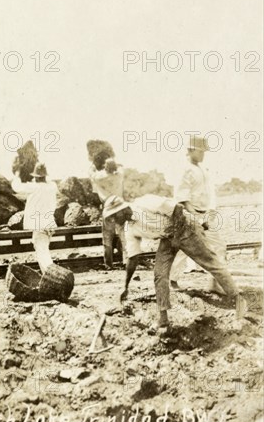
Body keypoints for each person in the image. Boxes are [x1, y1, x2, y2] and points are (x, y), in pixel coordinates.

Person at [101, 195, 247, 332]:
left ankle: (239, 299)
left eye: (114, 216)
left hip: (185, 227)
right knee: (159, 275)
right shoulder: (129, 229)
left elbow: (177, 208)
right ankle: (163, 319)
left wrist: (177, 234)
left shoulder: (145, 202)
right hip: (168, 237)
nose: (114, 220)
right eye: (111, 217)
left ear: (122, 210)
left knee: (210, 263)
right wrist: (125, 286)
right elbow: (133, 258)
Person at [170, 136, 226, 294]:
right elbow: (182, 199)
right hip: (189, 214)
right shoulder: (185, 169)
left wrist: (208, 213)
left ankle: (214, 283)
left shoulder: (201, 169)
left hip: (204, 213)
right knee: (184, 249)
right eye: (201, 151)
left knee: (219, 246)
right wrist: (197, 217)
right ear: (190, 150)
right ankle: (171, 280)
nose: (203, 155)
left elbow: (206, 194)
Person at [12, 163, 58, 274]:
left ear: (35, 177)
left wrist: (17, 173)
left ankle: (51, 275)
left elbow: (16, 187)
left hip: (39, 224)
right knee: (41, 248)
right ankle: (48, 274)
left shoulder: (33, 187)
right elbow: (47, 184)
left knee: (42, 252)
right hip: (48, 223)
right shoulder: (52, 186)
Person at [89, 152, 127, 267]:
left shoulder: (100, 177)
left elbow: (91, 174)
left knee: (107, 237)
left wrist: (93, 165)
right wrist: (116, 164)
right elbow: (121, 168)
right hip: (120, 206)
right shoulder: (119, 175)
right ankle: (127, 261)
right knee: (124, 236)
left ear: (105, 168)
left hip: (108, 207)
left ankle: (109, 263)